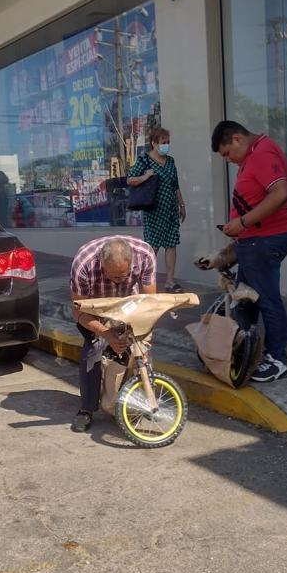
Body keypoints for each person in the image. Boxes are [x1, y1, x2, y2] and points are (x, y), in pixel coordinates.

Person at [212, 120, 287, 383]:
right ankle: (241, 350)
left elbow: (280, 193)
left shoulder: (262, 153)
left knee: (267, 300)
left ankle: (277, 359)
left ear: (237, 139)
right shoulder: (254, 155)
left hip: (265, 240)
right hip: (253, 242)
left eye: (227, 153)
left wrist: (243, 223)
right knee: (243, 300)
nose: (228, 160)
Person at [69, 236, 157, 433]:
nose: (119, 281)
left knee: (141, 348)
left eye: (124, 275)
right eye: (113, 277)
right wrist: (108, 335)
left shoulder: (144, 255)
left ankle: (142, 400)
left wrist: (142, 333)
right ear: (101, 264)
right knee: (94, 349)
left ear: (132, 262)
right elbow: (79, 311)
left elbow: (150, 301)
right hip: (95, 308)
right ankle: (87, 408)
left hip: (129, 304)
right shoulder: (84, 264)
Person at [127, 127, 186, 292]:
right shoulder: (144, 160)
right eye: (163, 143)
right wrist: (145, 176)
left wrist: (182, 204)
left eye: (168, 142)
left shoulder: (171, 161)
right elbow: (130, 180)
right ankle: (145, 281)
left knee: (171, 244)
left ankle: (170, 281)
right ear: (154, 143)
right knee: (153, 246)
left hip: (171, 208)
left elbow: (175, 185)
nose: (166, 146)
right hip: (154, 209)